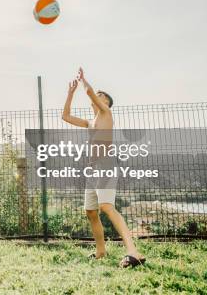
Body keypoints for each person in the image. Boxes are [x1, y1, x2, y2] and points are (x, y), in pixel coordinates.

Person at [62, 68, 145, 268]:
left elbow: (90, 92)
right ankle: (101, 252)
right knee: (90, 211)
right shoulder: (91, 123)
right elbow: (65, 116)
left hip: (106, 165)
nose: (95, 95)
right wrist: (70, 94)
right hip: (93, 169)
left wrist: (83, 81)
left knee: (106, 207)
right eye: (96, 94)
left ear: (106, 102)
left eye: (100, 95)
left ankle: (134, 252)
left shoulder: (106, 113)